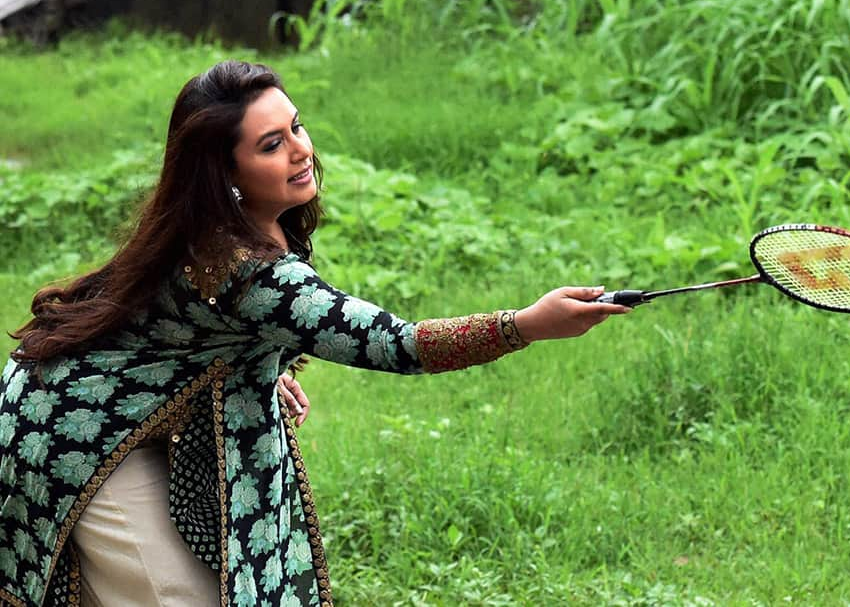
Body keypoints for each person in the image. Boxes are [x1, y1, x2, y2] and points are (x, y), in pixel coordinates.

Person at [0, 60, 628, 607]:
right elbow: (395, 343)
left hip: (125, 416)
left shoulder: (244, 225)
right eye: (271, 145)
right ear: (227, 175)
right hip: (68, 433)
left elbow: (193, 337)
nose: (300, 150)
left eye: (295, 127)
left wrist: (264, 376)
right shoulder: (248, 270)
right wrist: (527, 325)